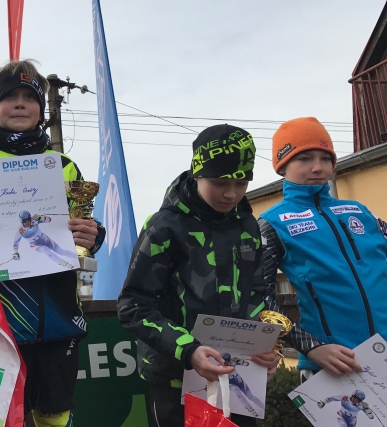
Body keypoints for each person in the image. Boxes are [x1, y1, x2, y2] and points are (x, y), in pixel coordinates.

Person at [0, 60, 104, 427]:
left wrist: (93, 235)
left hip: (60, 316)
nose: (21, 103)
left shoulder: (63, 166)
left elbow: (83, 223)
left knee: (56, 414)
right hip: (0, 319)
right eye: (11, 96)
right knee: (4, 417)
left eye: (30, 97)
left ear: (42, 108)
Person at [117, 124, 280, 427]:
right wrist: (189, 351)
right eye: (219, 183)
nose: (231, 194)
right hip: (175, 380)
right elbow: (133, 306)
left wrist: (264, 347)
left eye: (242, 182)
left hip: (237, 378)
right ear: (197, 174)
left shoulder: (248, 226)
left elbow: (256, 294)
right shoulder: (164, 226)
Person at [259, 117, 387, 381]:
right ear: (282, 166)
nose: (317, 167)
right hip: (334, 365)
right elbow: (259, 296)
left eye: (325, 158)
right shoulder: (271, 223)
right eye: (304, 159)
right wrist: (311, 347)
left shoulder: (360, 212)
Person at [12, 210, 80, 269]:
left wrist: (41, 217)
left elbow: (49, 220)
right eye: (24, 221)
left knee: (61, 251)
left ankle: (78, 257)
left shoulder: (34, 221)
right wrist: (15, 252)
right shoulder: (20, 231)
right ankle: (65, 264)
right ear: (21, 221)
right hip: (35, 244)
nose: (27, 222)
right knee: (45, 249)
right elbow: (15, 243)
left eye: (28, 219)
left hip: (45, 239)